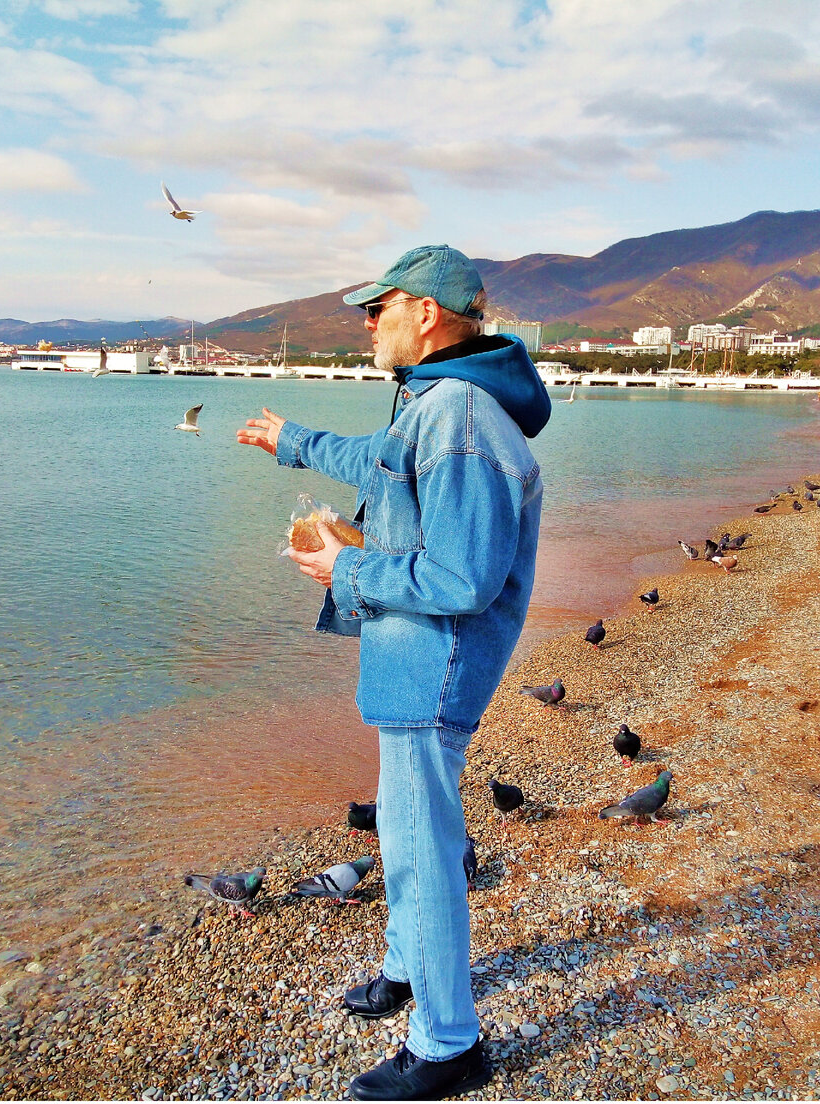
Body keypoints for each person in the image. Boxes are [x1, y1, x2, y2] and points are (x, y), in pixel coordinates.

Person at [236, 245, 550, 1101]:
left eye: (381, 307)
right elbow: (379, 460)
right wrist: (289, 440)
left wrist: (348, 568)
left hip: (435, 667)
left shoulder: (458, 415)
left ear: (431, 314)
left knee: (421, 854)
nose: (367, 321)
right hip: (412, 664)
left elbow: (462, 579)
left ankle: (449, 1042)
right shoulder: (436, 402)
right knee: (409, 841)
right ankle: (409, 968)